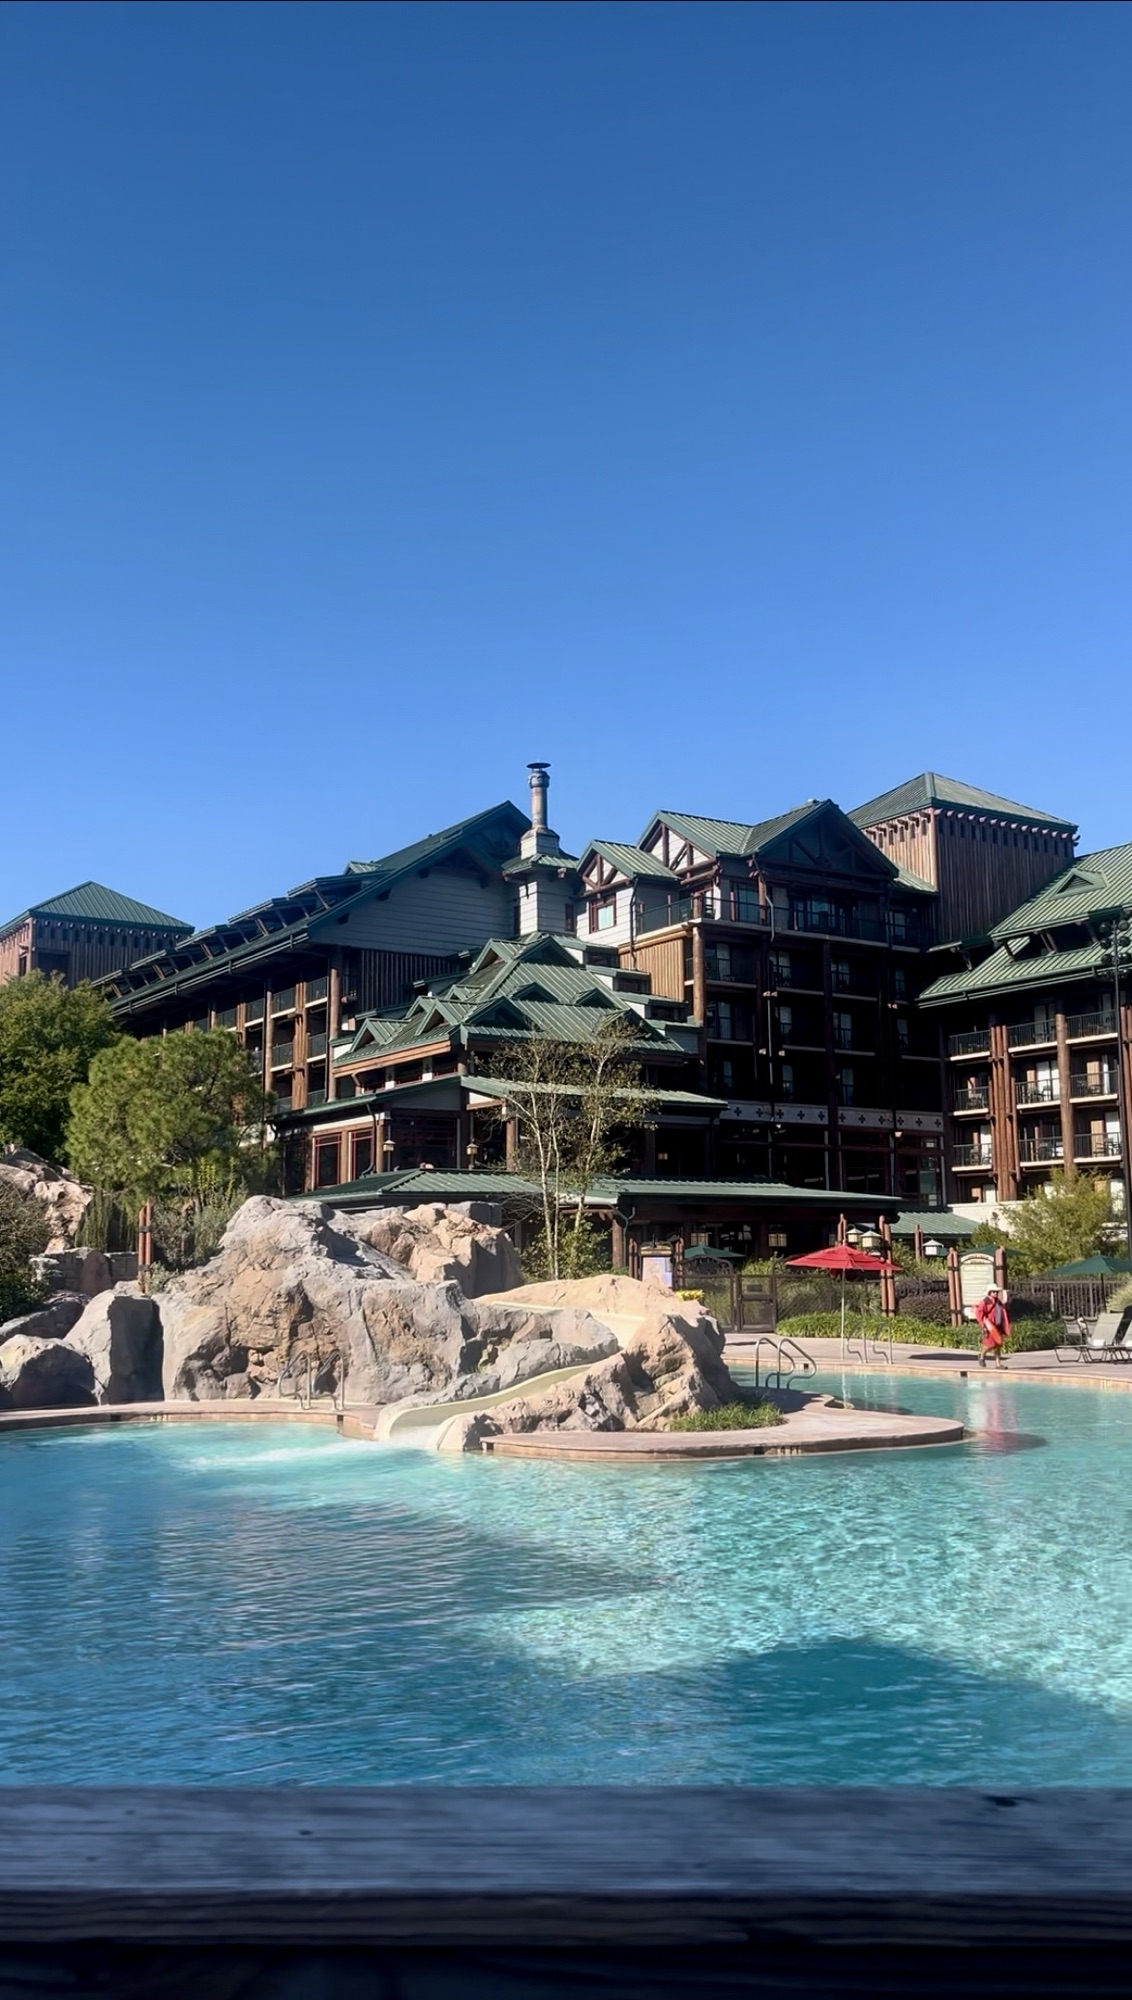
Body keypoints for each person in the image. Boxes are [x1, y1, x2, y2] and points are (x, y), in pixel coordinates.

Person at [975, 1287, 1011, 1369]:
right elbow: (979, 1313)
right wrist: (983, 1325)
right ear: (989, 1292)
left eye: (996, 1292)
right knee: (989, 1344)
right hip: (989, 1326)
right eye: (993, 1291)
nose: (995, 1293)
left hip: (998, 1326)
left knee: (998, 1344)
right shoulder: (985, 1301)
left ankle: (998, 1364)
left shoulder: (998, 1302)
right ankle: (982, 1355)